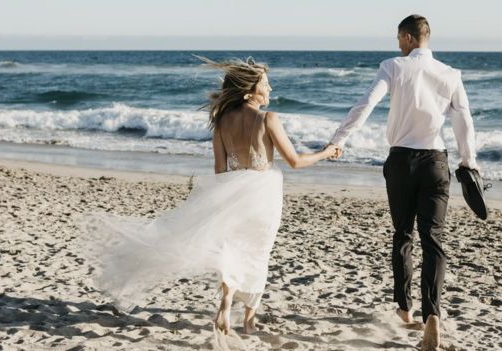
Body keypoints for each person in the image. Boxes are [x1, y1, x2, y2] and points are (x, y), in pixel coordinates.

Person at [79, 56, 338, 336]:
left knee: (232, 248)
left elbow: (219, 169)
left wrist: (217, 202)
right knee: (258, 252)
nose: (271, 89)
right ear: (250, 92)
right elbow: (295, 162)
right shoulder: (268, 119)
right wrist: (327, 151)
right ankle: (249, 320)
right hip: (263, 193)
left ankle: (226, 302)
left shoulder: (222, 120)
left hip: (232, 191)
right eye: (266, 84)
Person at [328, 14, 480, 350]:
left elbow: (366, 104)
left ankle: (404, 310)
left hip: (401, 162)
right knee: (434, 239)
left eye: (399, 39)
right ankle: (433, 315)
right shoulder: (451, 74)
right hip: (436, 163)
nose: (398, 44)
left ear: (408, 37)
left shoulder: (393, 66)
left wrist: (339, 139)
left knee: (403, 234)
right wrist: (469, 162)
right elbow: (463, 122)